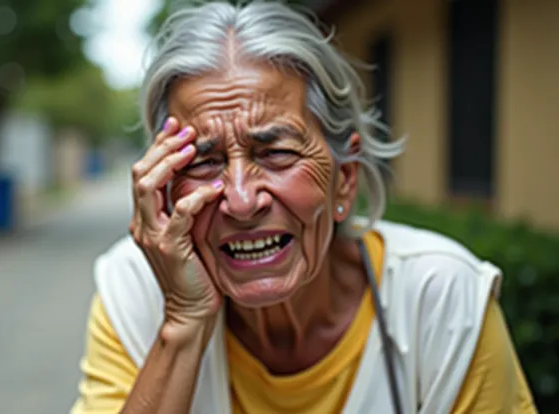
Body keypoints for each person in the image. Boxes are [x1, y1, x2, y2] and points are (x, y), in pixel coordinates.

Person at [70, 2, 537, 413]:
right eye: (204, 161)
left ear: (344, 181)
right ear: (167, 188)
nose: (240, 199)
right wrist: (183, 322)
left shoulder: (440, 298)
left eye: (276, 154)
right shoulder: (133, 290)